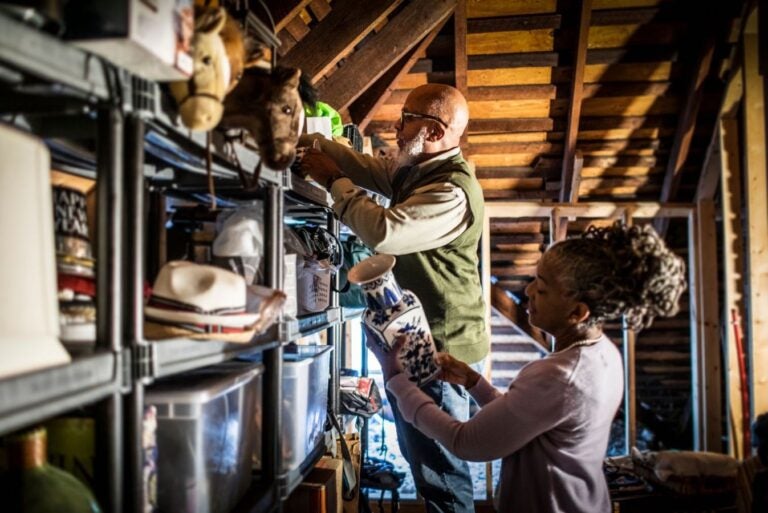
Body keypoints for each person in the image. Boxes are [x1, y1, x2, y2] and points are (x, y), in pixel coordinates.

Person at [369, 222, 687, 513]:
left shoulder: (559, 375)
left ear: (577, 312)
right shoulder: (603, 354)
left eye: (543, 288)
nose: (529, 291)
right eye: (535, 279)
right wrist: (474, 382)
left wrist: (397, 382)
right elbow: (527, 421)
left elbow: (464, 442)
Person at [300, 84, 488, 512]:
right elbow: (366, 167)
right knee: (423, 456)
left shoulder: (450, 192)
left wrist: (332, 179)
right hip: (420, 338)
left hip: (441, 346)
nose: (396, 128)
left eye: (407, 119)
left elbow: (386, 231)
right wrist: (310, 139)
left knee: (439, 468)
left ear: (436, 131)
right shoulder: (420, 168)